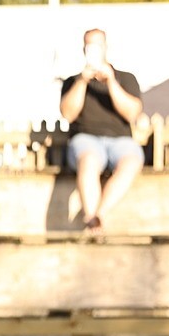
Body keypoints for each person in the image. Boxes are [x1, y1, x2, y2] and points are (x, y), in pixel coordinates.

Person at [59, 29, 144, 236]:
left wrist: (111, 82)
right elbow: (68, 114)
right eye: (89, 46)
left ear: (106, 47)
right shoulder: (72, 81)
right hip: (86, 139)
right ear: (83, 49)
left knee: (132, 161)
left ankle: (99, 215)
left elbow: (132, 112)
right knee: (89, 160)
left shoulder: (125, 78)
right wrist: (82, 81)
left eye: (97, 45)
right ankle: (90, 218)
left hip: (121, 141)